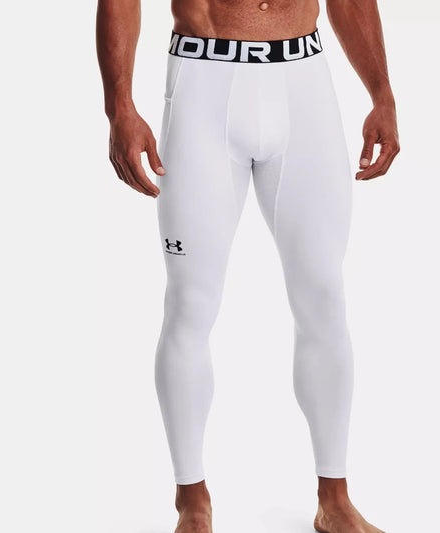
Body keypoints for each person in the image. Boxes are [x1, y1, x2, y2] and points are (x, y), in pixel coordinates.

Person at [96, 0, 399, 531]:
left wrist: (382, 94)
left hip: (303, 84)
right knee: (190, 303)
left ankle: (335, 500)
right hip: (202, 84)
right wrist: (119, 106)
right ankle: (192, 501)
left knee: (324, 298)